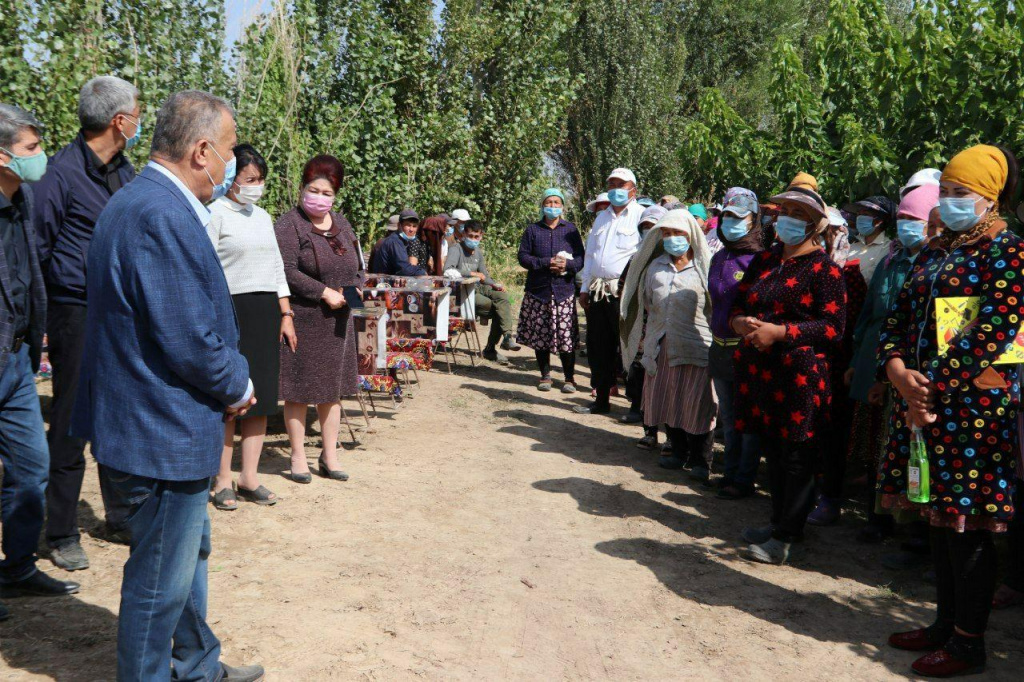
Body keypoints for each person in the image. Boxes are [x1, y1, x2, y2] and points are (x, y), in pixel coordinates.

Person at [72, 90, 263, 681]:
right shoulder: (157, 213)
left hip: (158, 425)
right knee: (158, 581)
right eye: (229, 150)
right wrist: (238, 384)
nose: (232, 166)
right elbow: (187, 336)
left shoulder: (144, 202)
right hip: (157, 429)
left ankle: (197, 665)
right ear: (202, 150)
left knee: (185, 559)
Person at [879, 145, 1021, 677]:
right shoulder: (937, 251)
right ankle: (943, 625)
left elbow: (995, 333)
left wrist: (930, 386)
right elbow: (899, 318)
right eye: (948, 193)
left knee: (969, 527)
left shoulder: (1006, 254)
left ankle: (968, 642)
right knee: (939, 522)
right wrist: (896, 370)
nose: (951, 203)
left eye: (962, 194)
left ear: (988, 197)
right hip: (922, 406)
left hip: (973, 413)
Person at [33, 76, 140, 570]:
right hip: (75, 310)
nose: (140, 119)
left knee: (117, 416)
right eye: (137, 112)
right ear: (119, 121)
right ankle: (58, 531)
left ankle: (119, 515)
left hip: (119, 311)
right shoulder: (60, 174)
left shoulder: (126, 172)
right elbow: (38, 249)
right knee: (73, 420)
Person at [729, 183, 846, 565]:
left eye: (799, 216)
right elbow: (741, 302)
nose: (787, 221)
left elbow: (833, 327)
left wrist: (781, 333)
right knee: (774, 453)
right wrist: (742, 323)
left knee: (797, 455)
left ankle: (787, 535)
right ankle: (778, 521)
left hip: (800, 376)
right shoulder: (766, 260)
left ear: (814, 226)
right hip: (763, 373)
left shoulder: (825, 270)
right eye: (784, 213)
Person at [0, 104, 80, 615]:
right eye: (30, 149)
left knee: (31, 469)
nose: (39, 157)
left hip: (16, 363)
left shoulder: (23, 198)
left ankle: (17, 568)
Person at [840, 183, 940, 541]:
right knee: (873, 447)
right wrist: (857, 360)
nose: (907, 225)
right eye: (903, 218)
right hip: (875, 363)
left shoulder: (939, 266)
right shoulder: (891, 261)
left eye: (914, 219)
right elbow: (869, 316)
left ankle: (912, 535)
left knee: (911, 449)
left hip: (913, 374)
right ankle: (876, 520)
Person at [207, 144, 295, 510]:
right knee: (232, 398)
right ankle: (222, 479)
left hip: (265, 313)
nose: (256, 186)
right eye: (250, 179)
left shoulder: (261, 216)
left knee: (260, 399)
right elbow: (207, 271)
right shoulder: (214, 213)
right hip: (230, 311)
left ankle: (249, 477)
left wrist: (286, 313)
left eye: (260, 180)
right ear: (231, 179)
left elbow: (276, 266)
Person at [276, 154, 362, 484]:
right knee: (298, 391)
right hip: (304, 318)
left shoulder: (342, 223)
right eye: (314, 190)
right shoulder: (289, 225)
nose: (320, 198)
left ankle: (330, 455)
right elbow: (284, 270)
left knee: (332, 391)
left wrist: (349, 297)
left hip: (339, 322)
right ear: (302, 189)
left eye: (327, 193)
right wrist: (323, 291)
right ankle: (298, 456)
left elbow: (357, 268)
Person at [638, 210, 717, 480]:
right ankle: (678, 452)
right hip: (661, 343)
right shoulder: (656, 266)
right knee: (670, 398)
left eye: (678, 233)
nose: (672, 239)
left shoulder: (706, 267)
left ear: (691, 235)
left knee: (698, 403)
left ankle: (701, 460)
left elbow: (714, 307)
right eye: (667, 233)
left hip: (696, 345)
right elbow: (648, 302)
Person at [708, 187, 763, 500]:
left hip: (747, 352)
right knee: (729, 418)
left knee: (748, 419)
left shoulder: (760, 259)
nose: (730, 222)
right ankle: (729, 473)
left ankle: (744, 478)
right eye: (726, 216)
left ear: (753, 220)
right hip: (719, 348)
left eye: (737, 217)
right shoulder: (720, 256)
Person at [577, 168, 642, 414]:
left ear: (633, 189)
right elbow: (590, 255)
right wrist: (584, 288)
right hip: (597, 290)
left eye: (621, 184)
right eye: (611, 184)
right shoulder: (601, 217)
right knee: (598, 345)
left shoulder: (641, 216)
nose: (615, 189)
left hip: (624, 292)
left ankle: (636, 405)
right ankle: (601, 398)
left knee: (629, 346)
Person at [516, 188, 584, 392]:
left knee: (566, 336)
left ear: (562, 207)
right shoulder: (533, 230)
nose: (553, 206)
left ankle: (569, 379)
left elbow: (581, 258)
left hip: (564, 291)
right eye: (549, 202)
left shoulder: (570, 230)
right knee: (541, 334)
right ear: (543, 205)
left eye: (557, 203)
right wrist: (546, 262)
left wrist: (566, 266)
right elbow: (523, 257)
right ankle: (545, 376)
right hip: (539, 290)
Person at [619, 204, 667, 444]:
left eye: (654, 229)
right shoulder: (637, 258)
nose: (649, 234)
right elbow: (624, 287)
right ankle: (641, 415)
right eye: (644, 228)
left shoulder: (674, 259)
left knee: (664, 378)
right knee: (640, 370)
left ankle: (667, 432)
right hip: (642, 325)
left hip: (667, 328)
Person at [444, 220, 515, 365]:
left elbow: (484, 276)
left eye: (476, 236)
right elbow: (448, 270)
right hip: (462, 292)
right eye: (470, 236)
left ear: (481, 236)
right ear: (463, 234)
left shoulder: (478, 252)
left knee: (501, 296)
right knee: (497, 308)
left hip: (477, 288)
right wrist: (471, 273)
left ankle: (508, 337)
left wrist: (494, 284)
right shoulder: (456, 249)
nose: (473, 239)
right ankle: (490, 349)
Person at [846, 195, 896, 284]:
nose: (859, 217)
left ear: (878, 221)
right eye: (859, 214)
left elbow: (872, 276)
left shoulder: (888, 248)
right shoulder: (852, 246)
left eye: (865, 214)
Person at [369, 209, 426, 276]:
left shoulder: (403, 241)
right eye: (408, 225)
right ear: (399, 225)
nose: (411, 229)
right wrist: (422, 272)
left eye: (414, 226)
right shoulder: (395, 241)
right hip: (385, 283)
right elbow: (404, 269)